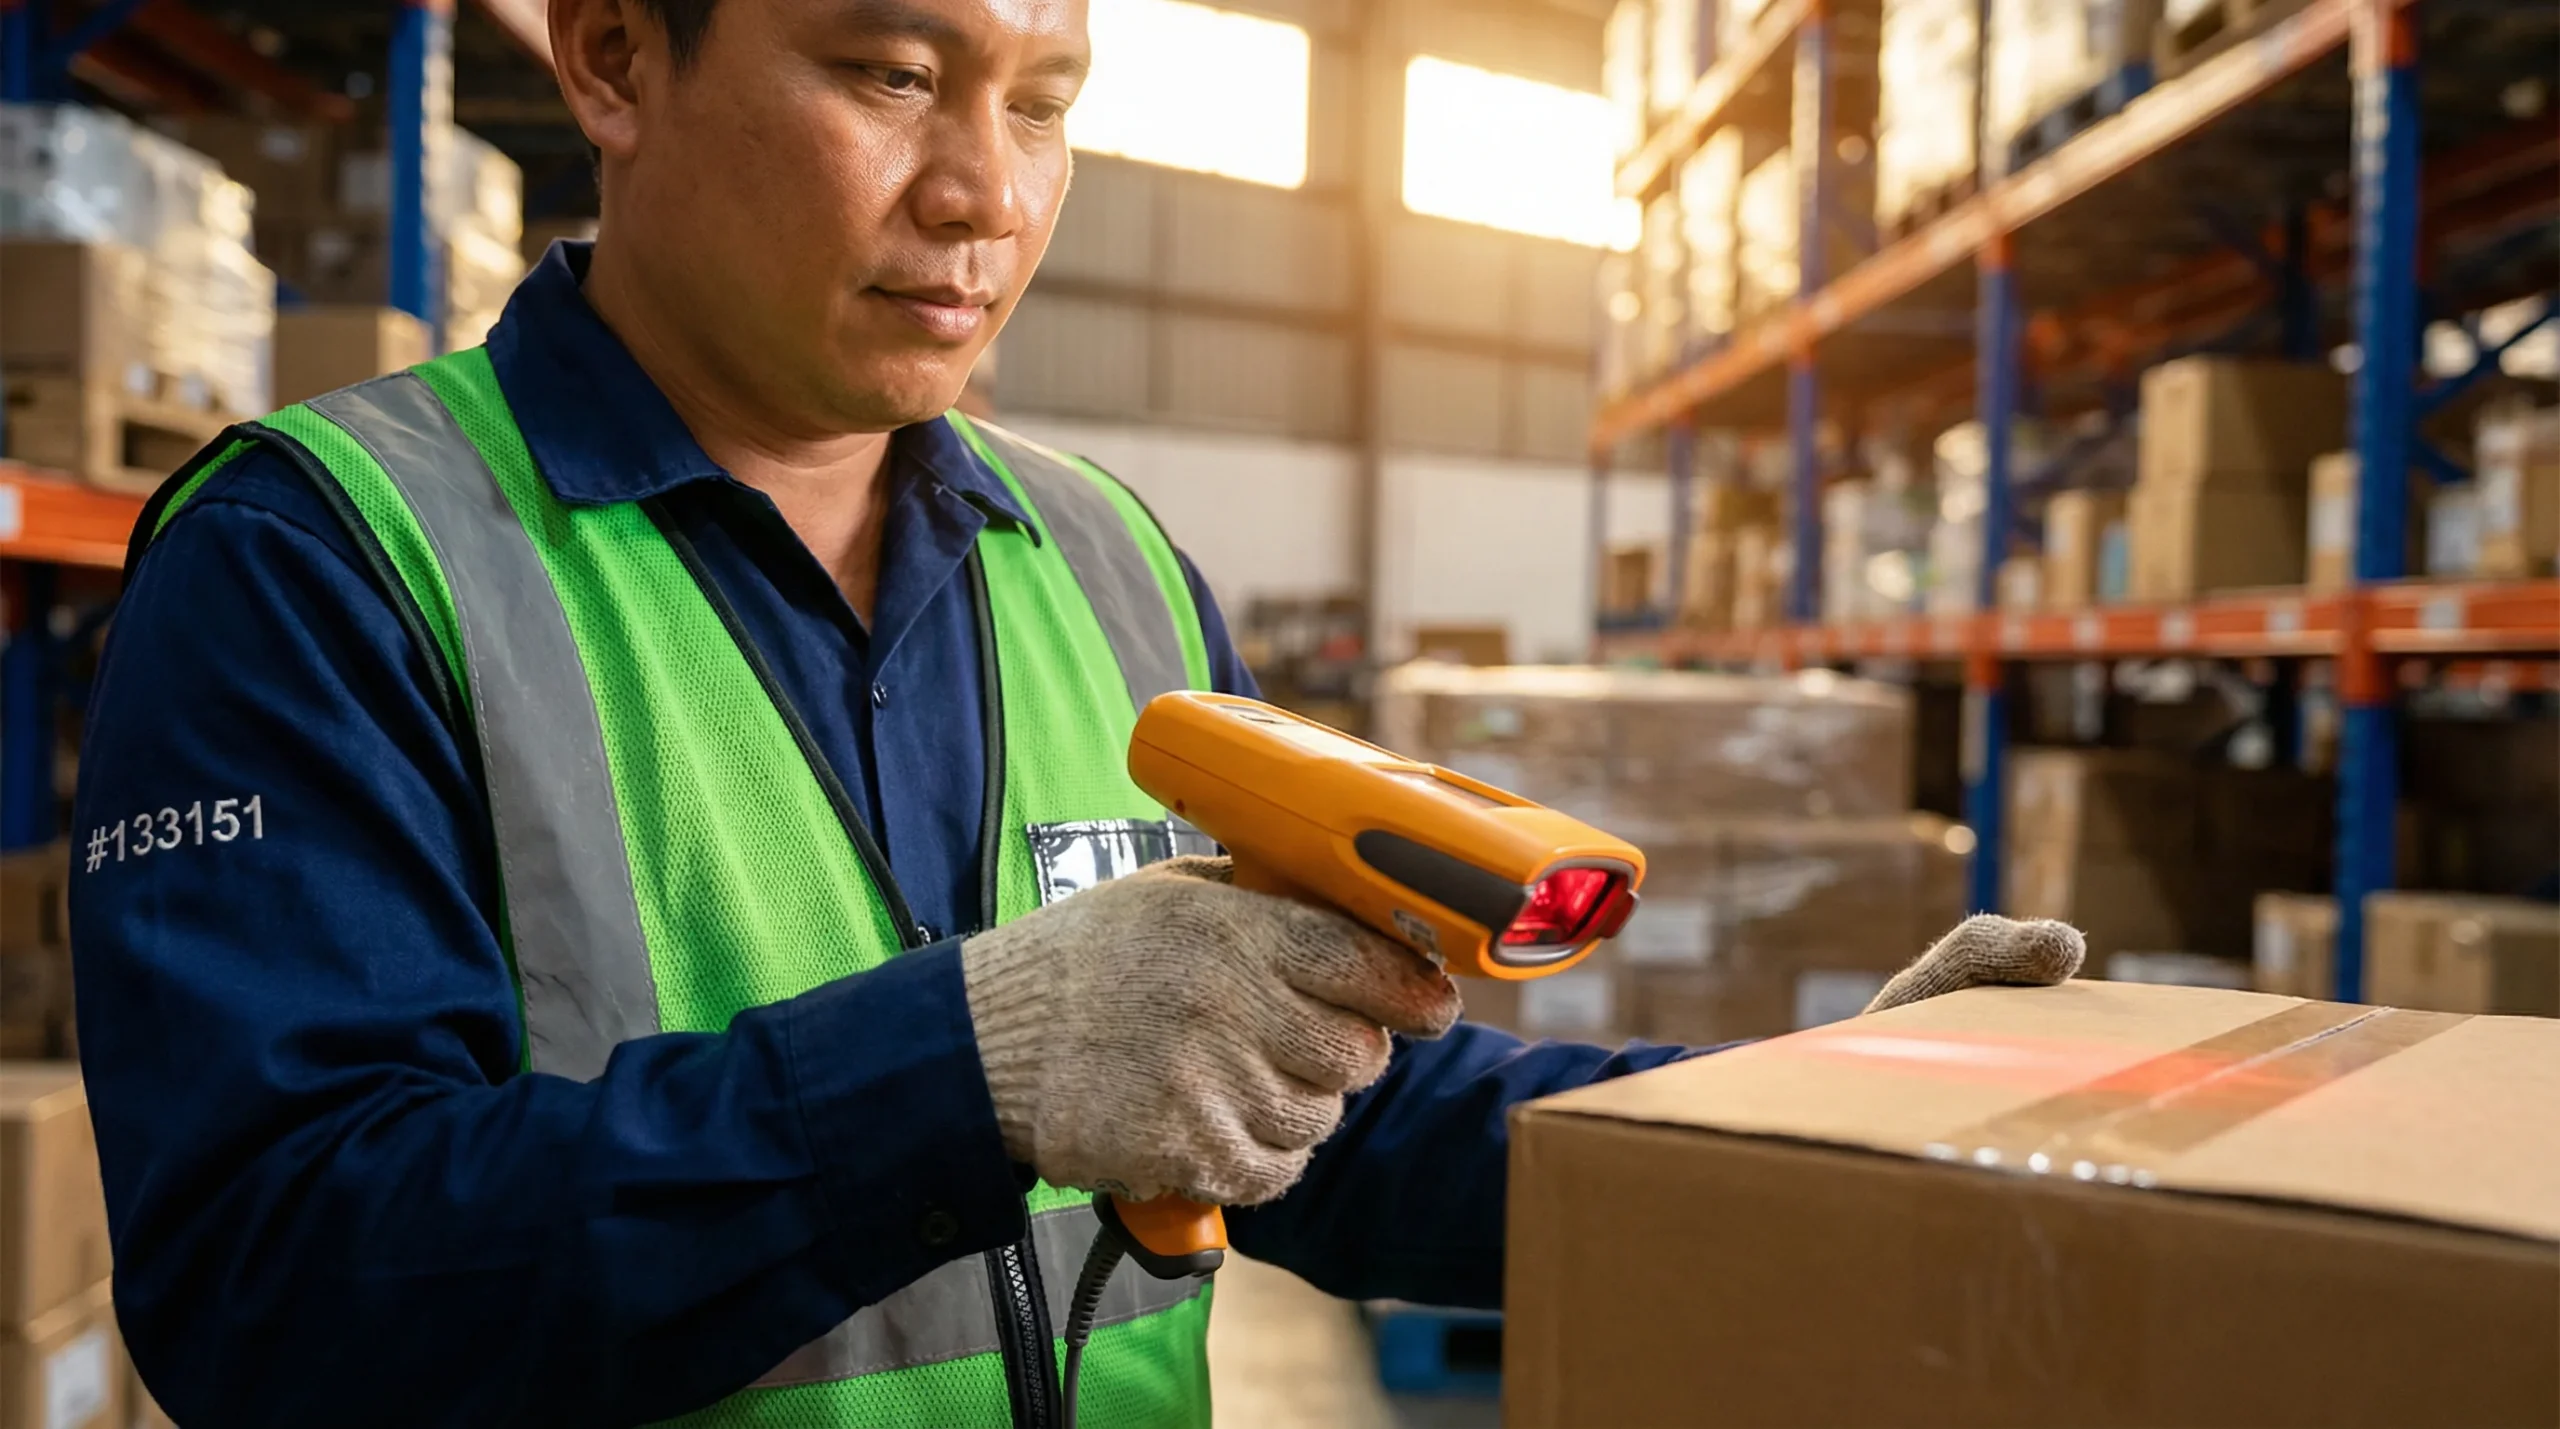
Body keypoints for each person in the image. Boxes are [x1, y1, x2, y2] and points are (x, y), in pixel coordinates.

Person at [68, 1, 2080, 1424]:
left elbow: (1332, 1119)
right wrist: (970, 1067)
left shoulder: (1107, 560)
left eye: (1043, 104)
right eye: (891, 74)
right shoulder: (327, 556)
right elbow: (278, 1288)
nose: (984, 192)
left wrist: (1784, 1135)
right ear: (612, 56)